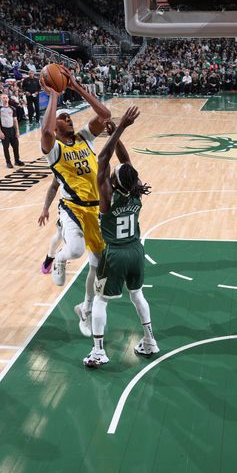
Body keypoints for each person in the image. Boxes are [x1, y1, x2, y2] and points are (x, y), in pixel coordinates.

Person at [37, 65, 111, 337]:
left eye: (70, 117)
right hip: (72, 209)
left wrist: (76, 86)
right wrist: (54, 96)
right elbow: (45, 134)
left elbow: (105, 115)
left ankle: (86, 308)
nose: (69, 120)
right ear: (55, 126)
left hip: (96, 210)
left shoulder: (84, 138)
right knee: (77, 251)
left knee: (98, 263)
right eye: (64, 118)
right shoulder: (54, 148)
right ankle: (59, 258)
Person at [83, 107, 159, 367]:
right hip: (136, 250)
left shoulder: (107, 195)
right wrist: (115, 131)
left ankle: (98, 351)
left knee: (102, 301)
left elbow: (103, 159)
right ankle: (150, 341)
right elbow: (125, 164)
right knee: (137, 295)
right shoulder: (136, 190)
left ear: (113, 181)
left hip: (114, 253)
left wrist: (121, 129)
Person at [0, 93, 24, 169]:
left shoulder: (12, 108)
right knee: (5, 147)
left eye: (6, 98)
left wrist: (17, 131)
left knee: (16, 146)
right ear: (1, 100)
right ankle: (8, 162)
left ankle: (17, 160)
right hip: (4, 130)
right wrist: (0, 132)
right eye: (3, 98)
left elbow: (15, 121)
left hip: (12, 130)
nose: (5, 99)